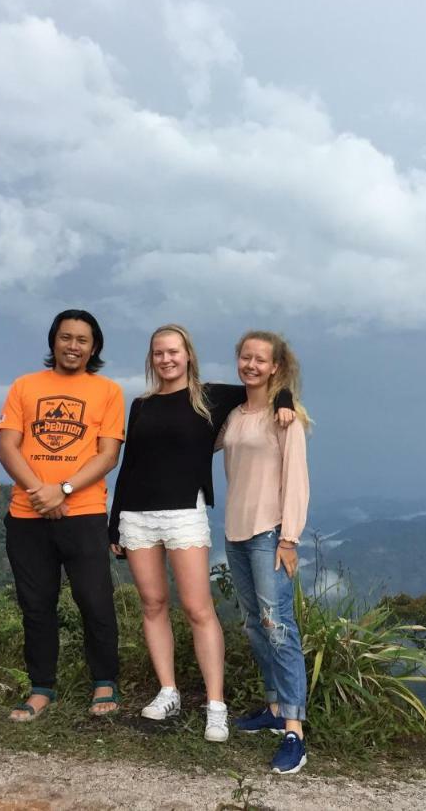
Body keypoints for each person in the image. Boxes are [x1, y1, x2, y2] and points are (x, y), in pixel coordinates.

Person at [108, 324, 293, 742]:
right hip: (137, 515)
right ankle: (168, 691)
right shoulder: (140, 405)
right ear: (151, 358)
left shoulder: (211, 396)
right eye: (158, 353)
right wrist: (114, 520)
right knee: (153, 603)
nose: (166, 359)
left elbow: (261, 384)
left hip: (184, 513)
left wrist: (284, 399)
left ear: (188, 354)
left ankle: (215, 704)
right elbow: (129, 465)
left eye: (173, 351)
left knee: (198, 608)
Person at [0, 310, 125, 720]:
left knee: (95, 601)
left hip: (84, 512)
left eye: (82, 340)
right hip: (27, 513)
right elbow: (7, 447)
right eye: (66, 337)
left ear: (94, 347)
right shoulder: (24, 386)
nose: (73, 346)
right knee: (36, 604)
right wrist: (41, 493)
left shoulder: (107, 391)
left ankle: (105, 681)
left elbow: (108, 454)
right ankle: (40, 687)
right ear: (53, 342)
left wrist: (63, 489)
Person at [219, 330, 312, 774]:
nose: (251, 365)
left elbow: (296, 477)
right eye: (245, 357)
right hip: (235, 533)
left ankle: (295, 730)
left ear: (276, 366)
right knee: (255, 625)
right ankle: (275, 709)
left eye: (261, 360)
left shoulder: (285, 418)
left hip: (269, 532)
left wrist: (289, 537)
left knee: (279, 628)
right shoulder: (234, 415)